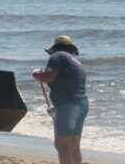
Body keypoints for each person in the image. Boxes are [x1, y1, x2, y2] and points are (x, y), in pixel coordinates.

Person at [33, 36, 88, 164]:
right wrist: (57, 108)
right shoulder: (76, 62)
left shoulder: (57, 56)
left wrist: (36, 74)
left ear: (56, 47)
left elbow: (49, 77)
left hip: (68, 105)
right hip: (82, 104)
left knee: (62, 145)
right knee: (73, 146)